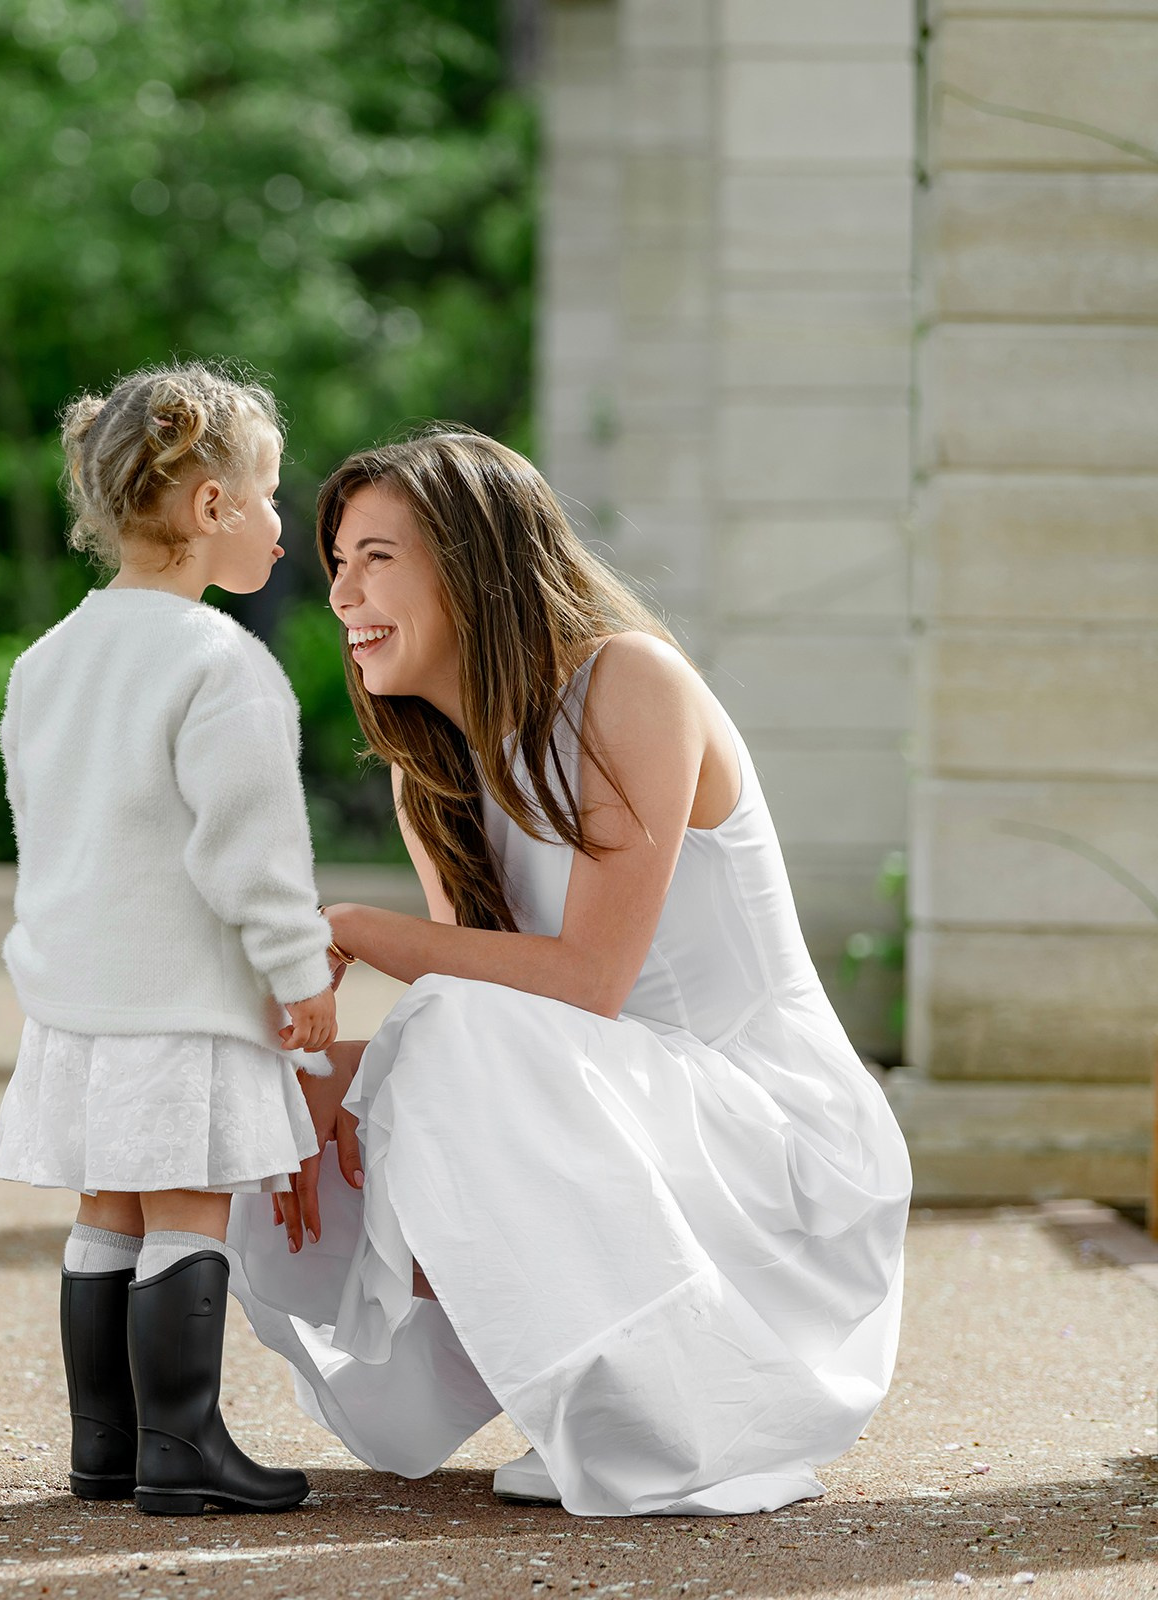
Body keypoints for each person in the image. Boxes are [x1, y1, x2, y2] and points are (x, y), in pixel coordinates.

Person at [224, 427, 912, 1517]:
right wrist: (306, 1088)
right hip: (629, 1106)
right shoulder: (435, 779)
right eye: (339, 563)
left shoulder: (630, 684)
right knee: (278, 1085)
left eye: (377, 558)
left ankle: (668, 1415)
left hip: (778, 1145)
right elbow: (491, 999)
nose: (344, 594)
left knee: (441, 1037)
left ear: (472, 560)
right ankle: (593, 1395)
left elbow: (584, 984)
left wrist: (353, 927)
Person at [0, 362, 340, 1516]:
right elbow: (254, 853)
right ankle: (182, 1449)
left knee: (108, 1211)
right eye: (271, 494)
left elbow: (40, 831)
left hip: (82, 998)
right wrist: (300, 976)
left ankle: (108, 1447)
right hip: (184, 1000)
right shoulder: (220, 664)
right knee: (189, 1209)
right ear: (209, 509)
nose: (285, 522)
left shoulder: (45, 663)